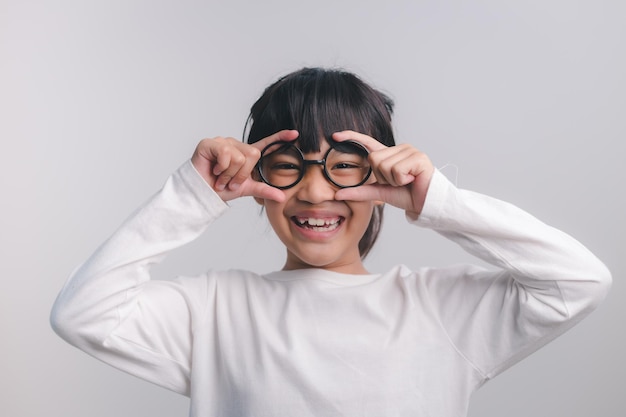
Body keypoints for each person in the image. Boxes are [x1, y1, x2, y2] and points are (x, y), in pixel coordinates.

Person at [50, 67, 611, 417]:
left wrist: (436, 200)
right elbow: (84, 315)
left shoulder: (440, 310)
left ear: (385, 177)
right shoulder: (214, 312)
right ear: (259, 178)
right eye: (288, 166)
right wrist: (195, 194)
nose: (316, 192)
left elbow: (579, 281)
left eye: (345, 166)